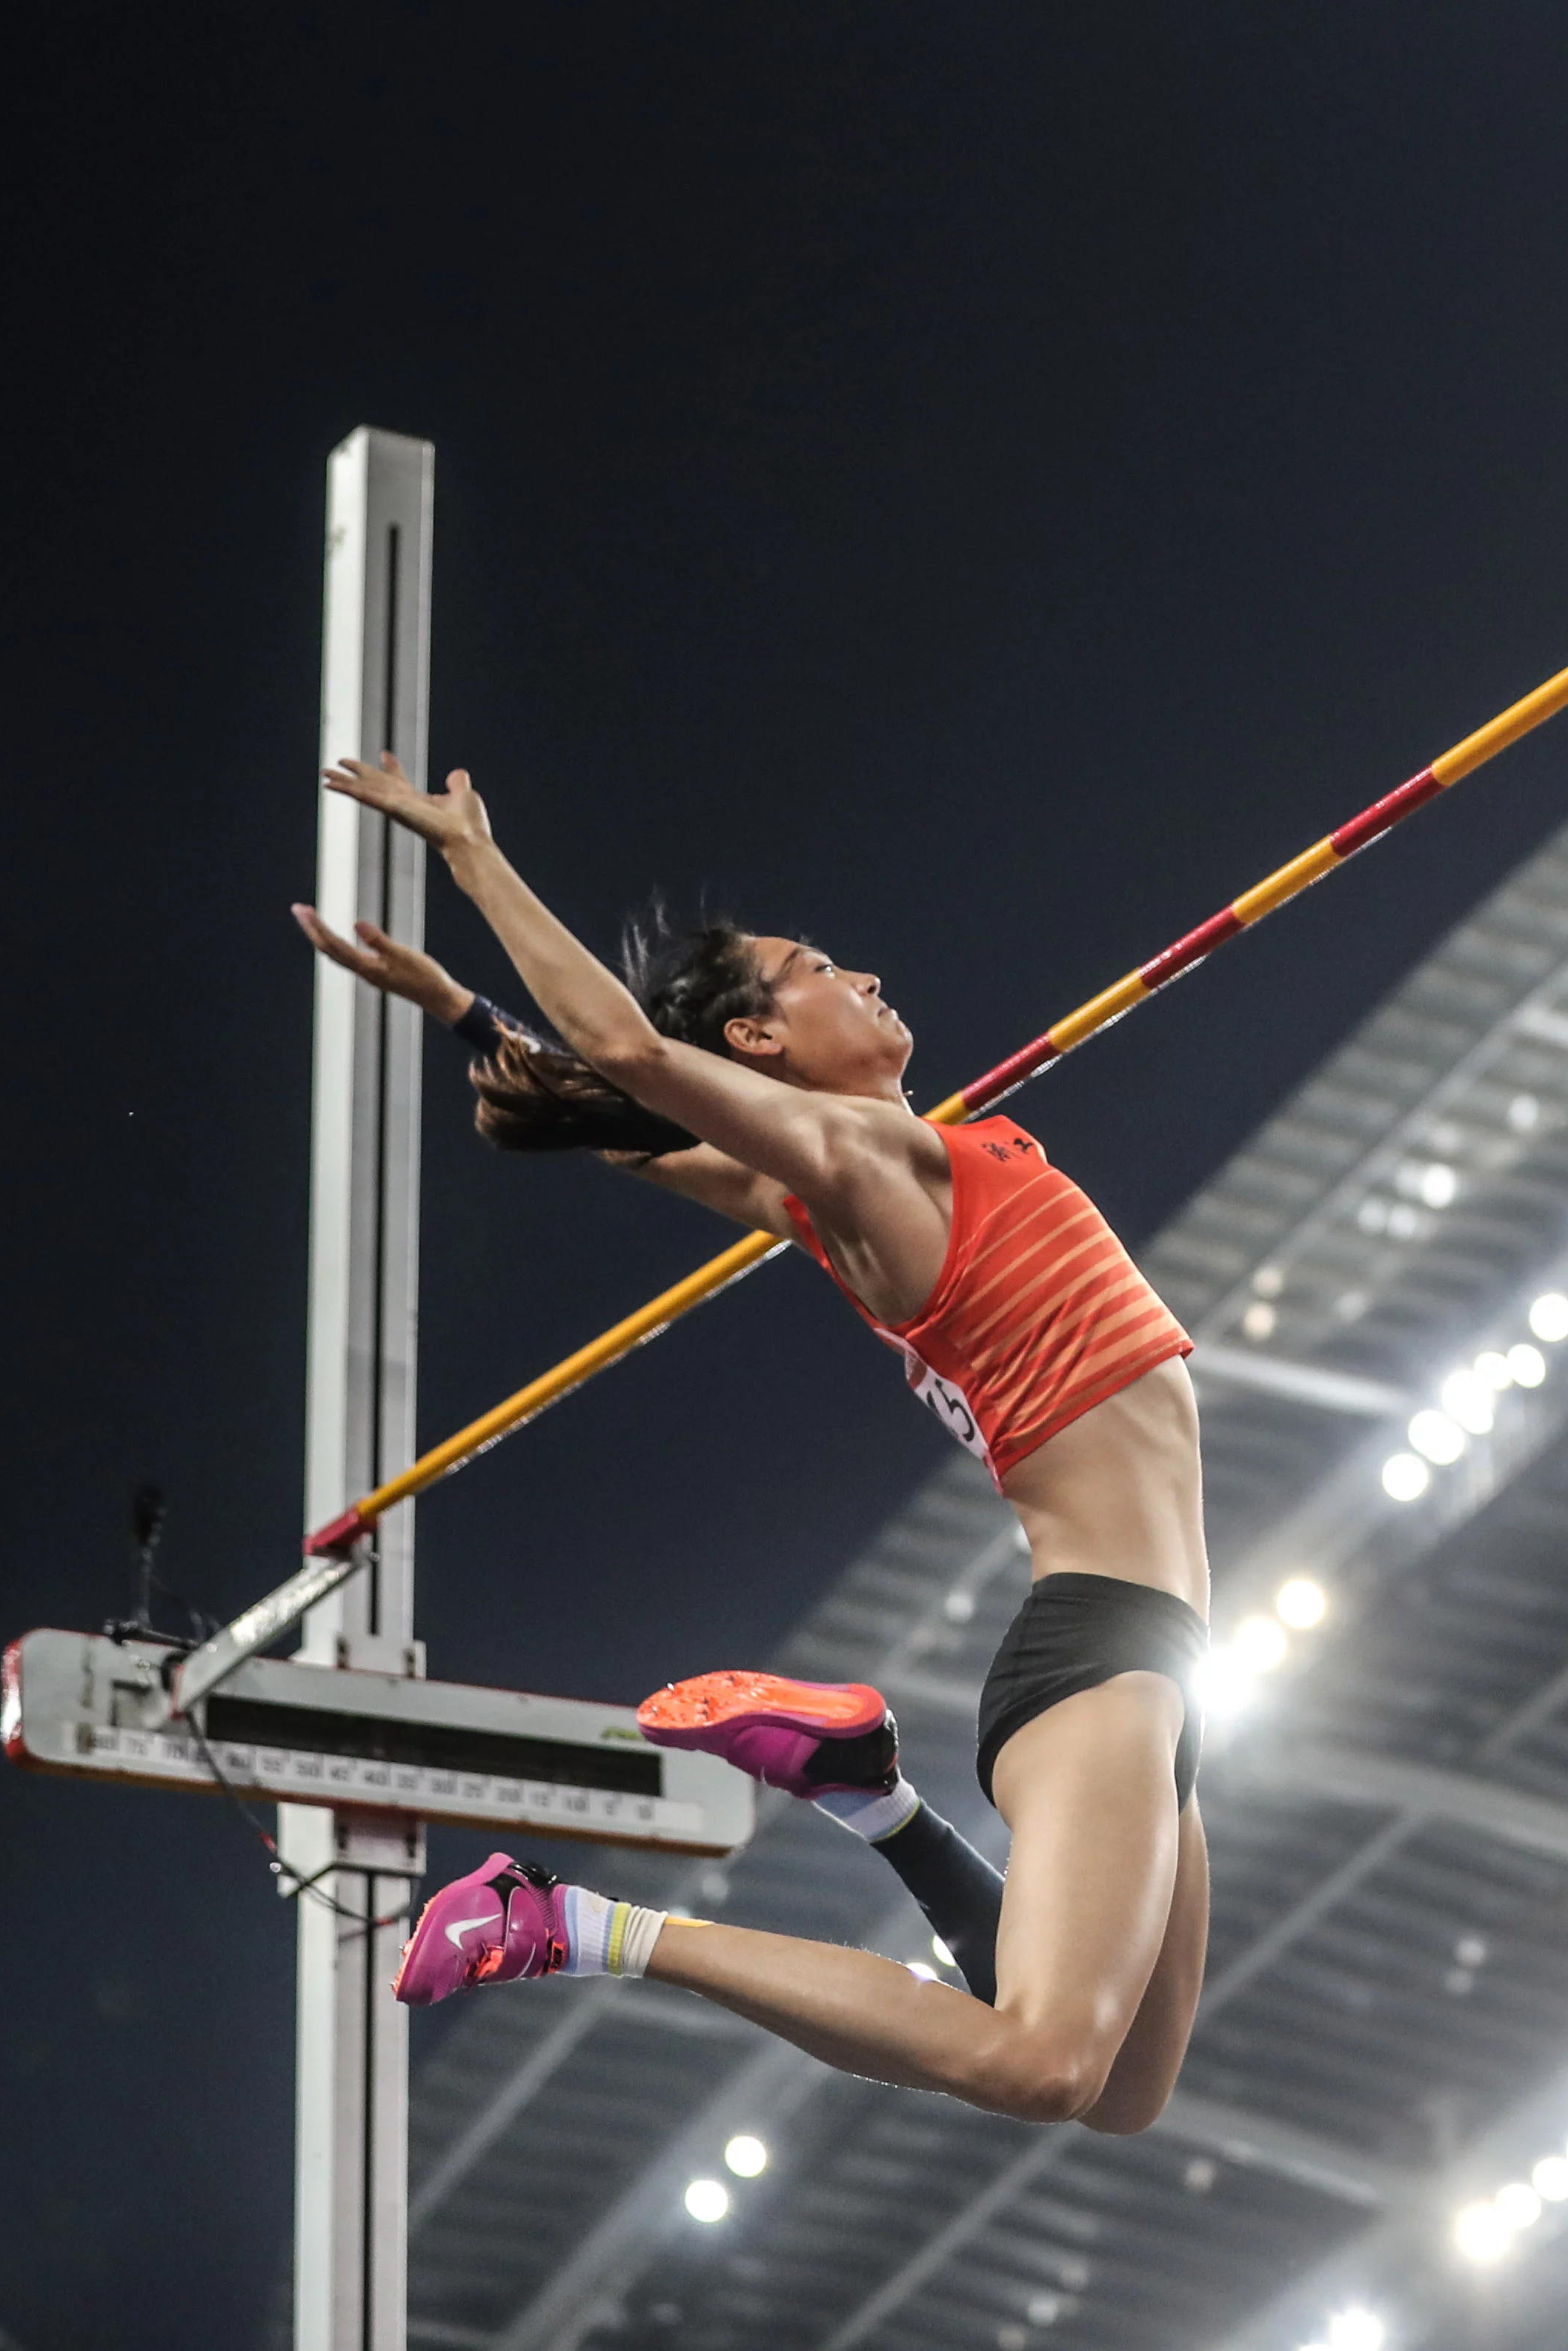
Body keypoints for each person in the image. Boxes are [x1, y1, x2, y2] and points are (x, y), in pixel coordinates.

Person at [302, 753, 1209, 2135]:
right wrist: (476, 859)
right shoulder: (866, 1172)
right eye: (819, 968)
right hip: (1101, 1643)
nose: (864, 974)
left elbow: (625, 1128)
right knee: (1039, 2060)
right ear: (762, 1047)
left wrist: (460, 1012)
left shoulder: (853, 1192)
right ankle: (569, 1923)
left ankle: (874, 1800)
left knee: (1123, 2091)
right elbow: (627, 1061)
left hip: (1164, 1657)